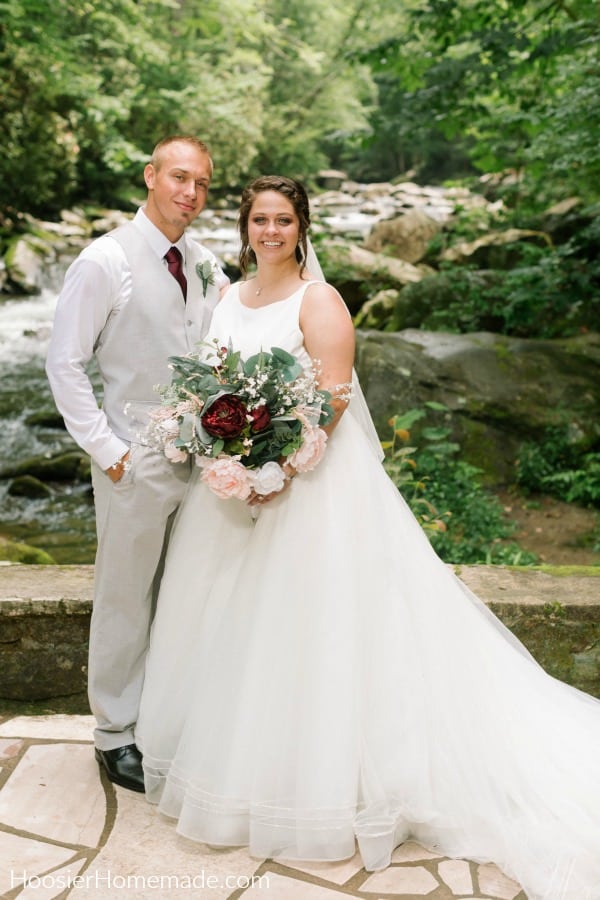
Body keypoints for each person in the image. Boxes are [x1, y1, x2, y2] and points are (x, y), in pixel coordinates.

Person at [135, 176, 600, 898]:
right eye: (259, 219)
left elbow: (334, 394)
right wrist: (220, 448)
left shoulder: (319, 300)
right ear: (244, 226)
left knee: (313, 632)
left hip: (309, 492)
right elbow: (211, 389)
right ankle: (248, 765)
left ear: (301, 226)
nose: (269, 231)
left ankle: (325, 779)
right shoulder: (229, 298)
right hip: (229, 493)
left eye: (282, 219)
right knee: (234, 630)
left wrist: (280, 465)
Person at [45, 136, 229, 793]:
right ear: (151, 177)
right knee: (125, 597)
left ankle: (167, 720)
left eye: (203, 184)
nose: (191, 193)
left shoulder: (207, 264)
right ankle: (114, 734)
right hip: (134, 459)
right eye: (180, 177)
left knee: (184, 593)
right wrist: (109, 450)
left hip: (204, 464)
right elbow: (64, 361)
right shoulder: (105, 260)